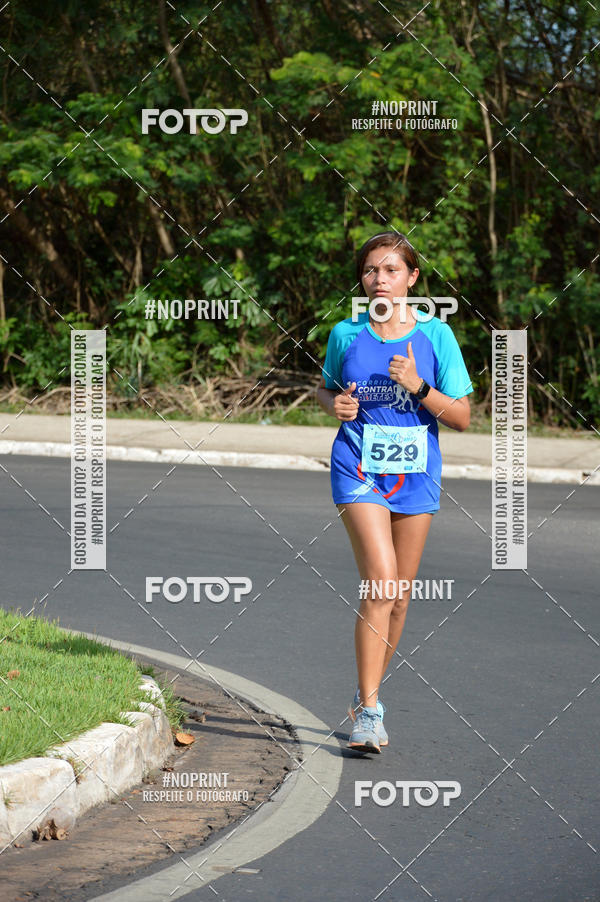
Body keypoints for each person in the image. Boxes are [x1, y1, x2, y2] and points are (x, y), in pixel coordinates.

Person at [316, 231, 473, 753]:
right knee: (381, 585)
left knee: (399, 600)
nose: (379, 279)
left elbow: (462, 418)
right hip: (357, 468)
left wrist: (419, 387)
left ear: (412, 278)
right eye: (370, 270)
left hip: (416, 474)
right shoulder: (345, 333)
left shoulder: (436, 336)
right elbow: (326, 389)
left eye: (390, 270)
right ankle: (370, 713)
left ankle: (367, 696)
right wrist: (334, 405)